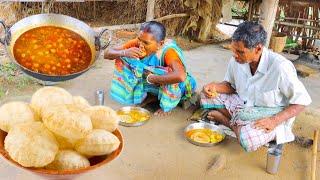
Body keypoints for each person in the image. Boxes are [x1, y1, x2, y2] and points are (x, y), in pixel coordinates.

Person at [200, 21, 312, 152]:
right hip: (242, 106)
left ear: (258, 49)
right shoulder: (236, 60)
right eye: (233, 49)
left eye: (240, 52)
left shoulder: (280, 67)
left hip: (269, 115)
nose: (235, 55)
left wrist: (274, 121)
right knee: (204, 95)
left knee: (248, 139)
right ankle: (238, 123)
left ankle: (226, 121)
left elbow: (301, 102)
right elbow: (231, 86)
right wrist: (214, 86)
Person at [104, 21, 196, 116]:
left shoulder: (168, 51)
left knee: (165, 72)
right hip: (155, 80)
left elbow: (180, 76)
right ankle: (152, 96)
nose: (140, 45)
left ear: (160, 44)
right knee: (131, 64)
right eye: (139, 40)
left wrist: (151, 78)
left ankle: (168, 104)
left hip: (182, 86)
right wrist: (124, 52)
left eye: (146, 43)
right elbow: (107, 53)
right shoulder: (139, 42)